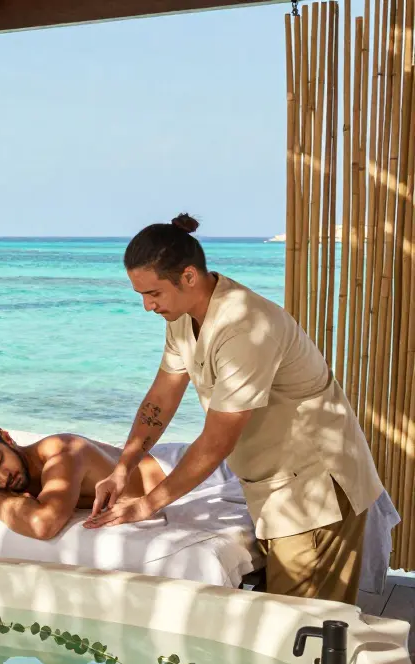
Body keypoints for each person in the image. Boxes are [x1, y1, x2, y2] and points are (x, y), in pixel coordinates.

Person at [82, 213, 387, 604]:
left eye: (153, 293)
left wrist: (147, 505)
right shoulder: (182, 316)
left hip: (314, 488)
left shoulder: (244, 327)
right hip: (271, 486)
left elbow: (216, 442)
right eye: (141, 294)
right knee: (287, 623)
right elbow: (161, 396)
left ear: (189, 276)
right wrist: (122, 468)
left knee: (302, 628)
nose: (146, 306)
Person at [0, 414, 218, 540]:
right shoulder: (1, 482)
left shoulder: (61, 453)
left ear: (7, 437)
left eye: (0, 460)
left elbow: (43, 524)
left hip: (185, 472)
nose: (4, 476)